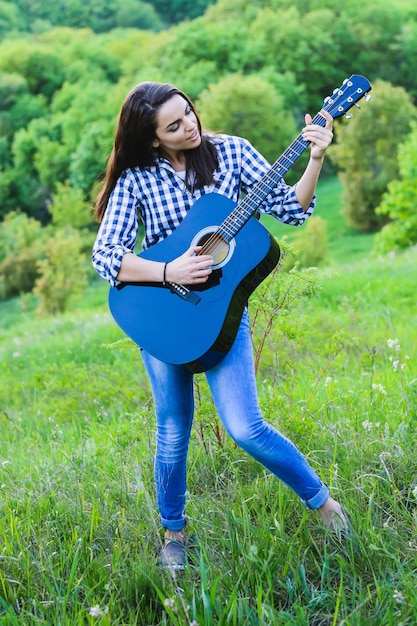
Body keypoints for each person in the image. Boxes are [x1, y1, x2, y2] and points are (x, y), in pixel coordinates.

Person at [92, 81, 350, 570]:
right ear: (152, 139)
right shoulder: (136, 179)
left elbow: (291, 210)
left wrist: (315, 159)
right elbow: (106, 257)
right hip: (163, 312)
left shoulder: (231, 152)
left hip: (222, 314)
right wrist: (170, 271)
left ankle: (325, 504)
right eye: (174, 125)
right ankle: (174, 535)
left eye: (188, 113)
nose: (189, 125)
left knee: (246, 427)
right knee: (172, 430)